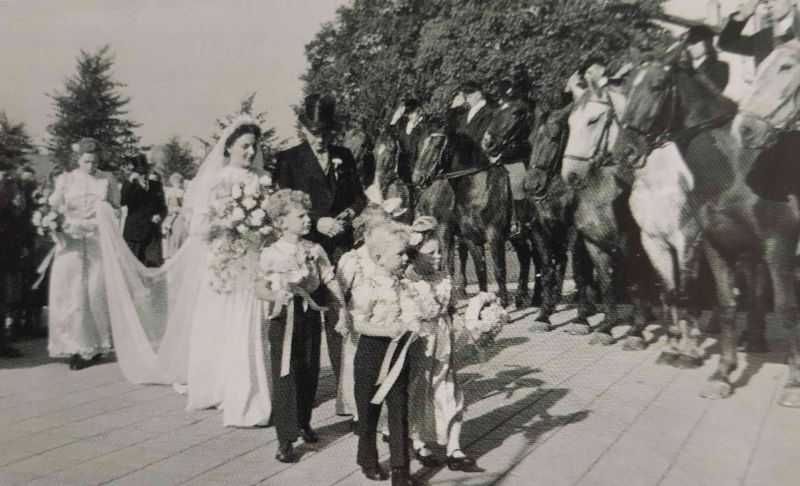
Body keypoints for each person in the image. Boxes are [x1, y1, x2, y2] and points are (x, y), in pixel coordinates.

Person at [180, 117, 272, 427]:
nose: (250, 151)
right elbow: (197, 226)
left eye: (254, 146)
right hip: (222, 259)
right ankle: (217, 386)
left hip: (252, 257)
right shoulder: (213, 181)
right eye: (244, 146)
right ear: (229, 146)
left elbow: (271, 219)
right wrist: (229, 223)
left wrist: (258, 227)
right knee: (218, 321)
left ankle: (246, 392)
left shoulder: (263, 179)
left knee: (246, 323)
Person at [274, 93, 366, 403]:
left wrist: (347, 216)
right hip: (305, 253)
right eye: (315, 132)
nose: (321, 139)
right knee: (306, 327)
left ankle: (349, 399)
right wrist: (317, 222)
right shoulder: (288, 159)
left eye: (326, 132)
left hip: (340, 249)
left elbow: (359, 197)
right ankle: (303, 401)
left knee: (342, 320)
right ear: (303, 129)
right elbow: (282, 207)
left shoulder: (345, 156)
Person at [257, 189, 349, 463]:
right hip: (283, 318)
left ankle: (305, 422)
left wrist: (342, 309)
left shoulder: (314, 249)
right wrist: (276, 294)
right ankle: (285, 438)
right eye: (300, 216)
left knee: (309, 370)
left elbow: (330, 280)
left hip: (310, 315)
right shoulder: (270, 253)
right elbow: (258, 287)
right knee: (285, 374)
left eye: (307, 214)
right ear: (281, 222)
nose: (307, 219)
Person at [347, 221, 418, 485]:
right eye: (399, 254)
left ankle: (401, 469)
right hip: (372, 353)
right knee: (369, 410)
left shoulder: (406, 284)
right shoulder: (367, 287)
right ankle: (367, 457)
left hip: (399, 354)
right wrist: (387, 330)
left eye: (406, 254)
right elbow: (358, 322)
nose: (404, 259)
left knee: (399, 409)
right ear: (378, 257)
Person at [405, 216, 478, 472]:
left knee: (450, 389)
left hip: (444, 339)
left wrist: (477, 315)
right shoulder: (405, 281)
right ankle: (418, 442)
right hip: (419, 342)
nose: (438, 257)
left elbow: (457, 306)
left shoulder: (444, 276)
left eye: (440, 252)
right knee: (419, 392)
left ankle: (454, 448)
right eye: (430, 253)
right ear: (414, 254)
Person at [46, 138, 120, 370]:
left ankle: (97, 344)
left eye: (95, 161)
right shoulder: (66, 180)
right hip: (70, 243)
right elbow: (55, 208)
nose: (91, 166)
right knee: (70, 292)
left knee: (94, 292)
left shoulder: (106, 180)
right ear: (78, 160)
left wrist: (102, 215)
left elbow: (117, 210)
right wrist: (56, 223)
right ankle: (75, 347)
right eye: (87, 161)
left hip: (96, 241)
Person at [719, 0, 799, 67]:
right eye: (766, 1)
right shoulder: (763, 37)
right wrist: (742, 15)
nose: (769, 5)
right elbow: (727, 43)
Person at [121, 153, 167, 267]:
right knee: (133, 267)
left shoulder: (156, 185)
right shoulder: (129, 186)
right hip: (134, 234)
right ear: (135, 173)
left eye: (146, 172)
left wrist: (159, 215)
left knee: (154, 266)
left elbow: (163, 207)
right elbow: (122, 201)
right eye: (140, 173)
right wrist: (130, 182)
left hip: (152, 234)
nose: (144, 175)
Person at [0, 167, 25, 358]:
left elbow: (18, 212)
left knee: (3, 300)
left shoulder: (10, 207)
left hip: (6, 255)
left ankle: (2, 342)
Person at [682, 25, 730, 93]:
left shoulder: (721, 66)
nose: (688, 48)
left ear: (706, 44)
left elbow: (714, 91)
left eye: (692, 43)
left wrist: (690, 70)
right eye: (687, 44)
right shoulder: (682, 63)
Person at [162, 172, 187, 259]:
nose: (179, 183)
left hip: (179, 216)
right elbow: (165, 205)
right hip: (173, 216)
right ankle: (174, 254)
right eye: (177, 181)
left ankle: (178, 254)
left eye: (180, 182)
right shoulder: (171, 192)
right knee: (173, 235)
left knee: (179, 234)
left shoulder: (182, 192)